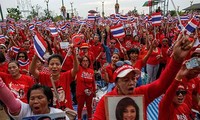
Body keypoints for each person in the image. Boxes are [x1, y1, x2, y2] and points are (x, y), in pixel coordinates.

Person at [93, 33, 194, 120]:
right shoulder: (105, 101)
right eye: (126, 79)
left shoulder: (142, 93)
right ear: (116, 83)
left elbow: (161, 84)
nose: (131, 82)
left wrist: (176, 60)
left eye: (133, 78)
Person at [29, 45, 79, 110]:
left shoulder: (66, 75)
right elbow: (32, 71)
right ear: (48, 66)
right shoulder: (44, 77)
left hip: (66, 111)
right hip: (49, 111)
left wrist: (74, 55)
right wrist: (36, 56)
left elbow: (76, 69)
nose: (54, 67)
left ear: (61, 66)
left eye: (57, 64)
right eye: (52, 64)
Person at [0, 78, 69, 120]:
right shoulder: (25, 111)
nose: (35, 101)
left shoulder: (59, 114)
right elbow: (11, 104)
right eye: (32, 98)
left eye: (40, 98)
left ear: (49, 100)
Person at [76, 56, 96, 120]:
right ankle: (79, 118)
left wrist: (94, 91)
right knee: (80, 106)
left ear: (89, 62)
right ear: (81, 63)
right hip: (80, 92)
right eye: (83, 61)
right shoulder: (78, 69)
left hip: (90, 92)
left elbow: (93, 82)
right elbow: (75, 62)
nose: (85, 62)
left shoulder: (91, 71)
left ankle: (90, 117)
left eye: (86, 61)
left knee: (89, 106)